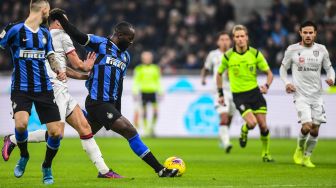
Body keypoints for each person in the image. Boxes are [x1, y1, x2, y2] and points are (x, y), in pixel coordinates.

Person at [51, 9, 178, 177]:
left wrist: (117, 109)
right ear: (118, 34)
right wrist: (60, 18)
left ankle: (17, 139)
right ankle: (160, 170)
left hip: (109, 104)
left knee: (73, 132)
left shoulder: (125, 57)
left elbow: (119, 84)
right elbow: (79, 35)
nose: (131, 42)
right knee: (130, 131)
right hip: (97, 102)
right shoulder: (100, 44)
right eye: (129, 38)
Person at [2, 8, 121, 178]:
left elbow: (62, 68)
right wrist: (89, 66)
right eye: (65, 21)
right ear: (58, 22)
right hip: (54, 88)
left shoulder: (42, 37)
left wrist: (83, 76)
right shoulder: (62, 36)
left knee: (85, 127)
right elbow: (79, 64)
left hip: (59, 87)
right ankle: (13, 139)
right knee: (57, 133)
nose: (68, 25)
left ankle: (104, 171)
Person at [0, 0, 66, 184]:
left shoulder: (45, 33)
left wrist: (59, 70)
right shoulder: (14, 30)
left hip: (44, 88)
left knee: (55, 133)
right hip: (21, 88)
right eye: (49, 10)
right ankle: (24, 155)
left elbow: (50, 55)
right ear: (44, 10)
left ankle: (46, 166)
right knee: (21, 125)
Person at [279, 21, 335, 168]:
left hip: (317, 95)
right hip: (300, 95)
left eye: (311, 33)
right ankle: (299, 148)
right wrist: (286, 83)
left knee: (315, 129)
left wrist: (331, 78)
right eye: (305, 32)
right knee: (307, 126)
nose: (308, 35)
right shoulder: (292, 50)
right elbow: (283, 70)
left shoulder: (322, 50)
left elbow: (329, 69)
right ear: (300, 33)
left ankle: (307, 157)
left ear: (315, 33)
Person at [216, 25, 274, 162]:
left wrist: (266, 85)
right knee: (252, 123)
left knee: (263, 126)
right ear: (234, 39)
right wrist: (220, 94)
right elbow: (218, 74)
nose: (240, 39)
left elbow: (269, 73)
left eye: (242, 36)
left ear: (246, 37)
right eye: (237, 37)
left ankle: (265, 154)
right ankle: (245, 128)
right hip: (239, 96)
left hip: (255, 93)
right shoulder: (228, 56)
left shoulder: (255, 54)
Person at [201, 31, 235, 153]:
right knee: (224, 117)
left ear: (230, 41)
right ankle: (226, 143)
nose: (224, 41)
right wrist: (203, 78)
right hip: (219, 91)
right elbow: (206, 68)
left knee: (230, 118)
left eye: (226, 39)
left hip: (235, 90)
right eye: (222, 39)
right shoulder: (213, 55)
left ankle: (223, 136)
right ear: (218, 42)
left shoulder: (235, 54)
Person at [132, 51, 163, 137]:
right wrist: (135, 92)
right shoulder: (139, 69)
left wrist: (160, 91)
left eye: (148, 58)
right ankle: (146, 130)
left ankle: (152, 127)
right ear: (142, 59)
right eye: (145, 58)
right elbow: (136, 81)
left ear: (151, 59)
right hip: (144, 92)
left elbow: (158, 81)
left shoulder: (155, 68)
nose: (147, 59)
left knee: (156, 112)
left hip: (153, 92)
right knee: (144, 112)